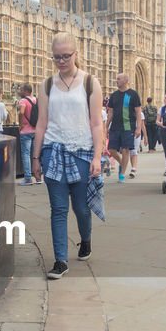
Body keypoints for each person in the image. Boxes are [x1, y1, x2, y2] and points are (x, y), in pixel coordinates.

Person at [31, 32, 104, 280]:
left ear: (76, 54)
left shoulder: (90, 83)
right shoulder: (47, 85)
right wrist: (36, 157)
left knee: (82, 208)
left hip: (82, 153)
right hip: (53, 151)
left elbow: (96, 124)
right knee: (58, 209)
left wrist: (97, 157)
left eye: (66, 56)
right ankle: (60, 260)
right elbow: (41, 123)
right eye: (56, 57)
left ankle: (85, 239)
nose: (61, 61)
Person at [104, 72, 143, 181]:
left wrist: (138, 127)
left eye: (118, 79)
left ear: (125, 80)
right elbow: (110, 112)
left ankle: (122, 173)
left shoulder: (133, 94)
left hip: (128, 126)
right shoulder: (114, 95)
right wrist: (106, 126)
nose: (116, 81)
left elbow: (138, 112)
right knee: (111, 149)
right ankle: (122, 163)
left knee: (126, 149)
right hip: (115, 126)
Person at [17, 84, 38, 185]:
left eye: (21, 90)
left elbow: (21, 112)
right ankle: (38, 178)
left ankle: (28, 178)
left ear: (25, 91)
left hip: (26, 131)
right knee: (36, 155)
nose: (19, 91)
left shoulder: (23, 101)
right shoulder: (36, 100)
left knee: (25, 154)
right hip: (36, 131)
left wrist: (20, 125)